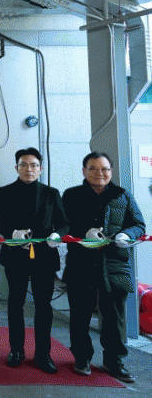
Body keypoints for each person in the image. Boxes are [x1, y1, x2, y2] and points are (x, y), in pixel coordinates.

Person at [63, 151, 145, 383]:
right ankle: (82, 358)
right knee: (80, 315)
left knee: (114, 317)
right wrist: (82, 233)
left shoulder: (123, 196)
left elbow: (139, 225)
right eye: (93, 168)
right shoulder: (71, 195)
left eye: (105, 169)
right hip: (81, 264)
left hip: (114, 266)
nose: (99, 173)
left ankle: (114, 362)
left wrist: (127, 234)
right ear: (84, 171)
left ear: (111, 171)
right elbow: (61, 225)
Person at [0, 147, 68, 374]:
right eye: (24, 165)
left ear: (40, 168)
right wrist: (12, 233)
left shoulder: (51, 193)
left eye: (34, 165)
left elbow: (64, 224)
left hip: (44, 256)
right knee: (15, 303)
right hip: (15, 255)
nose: (29, 169)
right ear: (16, 167)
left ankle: (42, 354)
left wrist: (57, 235)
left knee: (43, 306)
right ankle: (16, 350)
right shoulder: (4, 192)